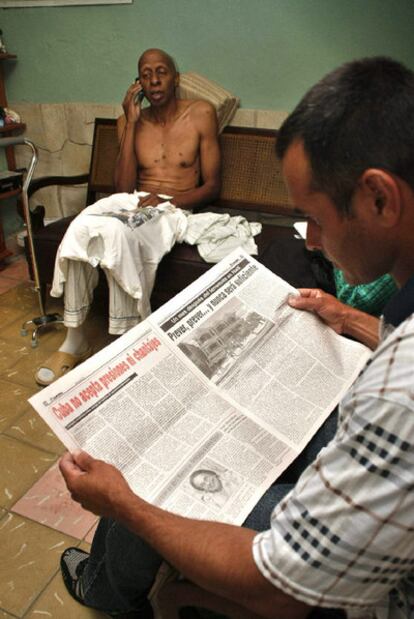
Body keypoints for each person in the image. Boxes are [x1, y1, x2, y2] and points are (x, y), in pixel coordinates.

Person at [59, 56, 414, 619]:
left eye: (315, 216)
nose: (313, 242)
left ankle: (107, 589)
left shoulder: (400, 394)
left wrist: (125, 505)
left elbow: (280, 583)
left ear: (379, 198)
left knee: (151, 479)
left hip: (367, 595)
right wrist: (347, 318)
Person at [35, 48, 221, 386]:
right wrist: (132, 123)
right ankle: (74, 338)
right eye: (146, 74)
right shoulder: (131, 120)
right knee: (83, 226)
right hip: (131, 203)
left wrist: (168, 201)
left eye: (161, 71)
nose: (153, 80)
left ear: (175, 78)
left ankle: (125, 340)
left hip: (172, 207)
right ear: (138, 83)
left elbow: (211, 187)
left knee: (116, 236)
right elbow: (120, 186)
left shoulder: (201, 114)